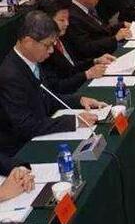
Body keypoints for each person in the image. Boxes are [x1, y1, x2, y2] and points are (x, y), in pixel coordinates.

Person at [0, 11, 104, 156]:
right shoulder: (10, 75)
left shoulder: (32, 60)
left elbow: (48, 98)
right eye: (47, 45)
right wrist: (74, 121)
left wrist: (79, 100)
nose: (51, 51)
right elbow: (26, 126)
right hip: (21, 150)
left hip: (41, 133)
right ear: (28, 42)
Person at [39, 0, 115, 94]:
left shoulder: (63, 36)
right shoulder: (43, 50)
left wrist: (95, 61)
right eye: (62, 20)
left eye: (67, 19)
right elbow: (56, 87)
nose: (67, 24)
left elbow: (72, 67)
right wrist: (87, 74)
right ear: (47, 22)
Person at [64, 0, 132, 59]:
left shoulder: (87, 8)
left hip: (109, 47)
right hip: (101, 57)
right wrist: (115, 38)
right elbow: (86, 48)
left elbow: (102, 30)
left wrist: (122, 24)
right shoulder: (72, 16)